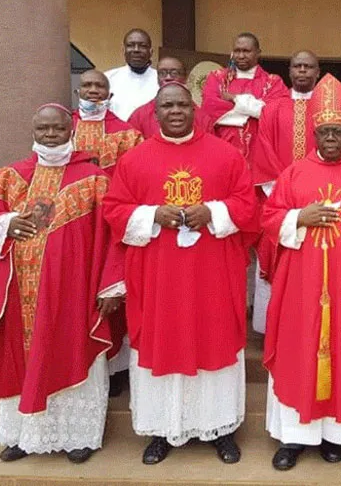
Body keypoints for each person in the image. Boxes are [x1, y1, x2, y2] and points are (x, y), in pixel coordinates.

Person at [102, 82, 259, 465]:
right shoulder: (134, 160)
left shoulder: (226, 156)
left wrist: (214, 212)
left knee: (215, 340)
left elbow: (248, 206)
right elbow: (114, 210)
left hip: (212, 274)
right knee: (162, 342)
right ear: (155, 113)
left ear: (195, 110)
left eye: (183, 105)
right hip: (159, 277)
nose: (175, 111)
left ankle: (221, 428)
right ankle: (161, 430)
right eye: (167, 105)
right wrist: (152, 214)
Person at [0, 103, 124, 463]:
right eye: (44, 130)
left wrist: (110, 286)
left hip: (74, 290)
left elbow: (114, 235)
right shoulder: (9, 177)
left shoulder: (95, 179)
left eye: (58, 129)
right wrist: (5, 223)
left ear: (71, 130)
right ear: (33, 131)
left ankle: (79, 435)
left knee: (72, 349)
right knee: (23, 357)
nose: (51, 135)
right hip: (18, 292)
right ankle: (24, 435)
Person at [261, 73, 341, 470]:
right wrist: (300, 217)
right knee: (298, 351)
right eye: (325, 132)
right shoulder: (294, 173)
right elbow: (269, 220)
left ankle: (338, 435)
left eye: (339, 132)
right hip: (301, 285)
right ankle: (293, 437)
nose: (332, 139)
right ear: (314, 134)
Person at [72, 69, 143, 393]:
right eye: (87, 86)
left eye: (99, 86)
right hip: (72, 227)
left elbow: (138, 181)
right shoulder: (63, 129)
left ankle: (116, 368)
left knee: (115, 295)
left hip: (111, 227)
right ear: (78, 92)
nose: (93, 91)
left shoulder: (127, 134)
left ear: (109, 93)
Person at [249, 50, 320, 334]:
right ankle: (273, 328)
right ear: (289, 71)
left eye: (308, 66)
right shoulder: (273, 108)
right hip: (279, 200)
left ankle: (313, 326)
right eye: (297, 66)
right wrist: (285, 194)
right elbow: (263, 151)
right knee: (274, 258)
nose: (302, 71)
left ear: (318, 71)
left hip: (319, 200)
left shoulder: (327, 107)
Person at [201, 32, 289, 160]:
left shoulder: (273, 82)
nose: (241, 56)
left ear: (258, 53)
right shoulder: (217, 77)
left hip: (260, 154)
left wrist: (234, 99)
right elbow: (210, 109)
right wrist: (255, 110)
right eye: (237, 51)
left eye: (246, 51)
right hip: (223, 149)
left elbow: (275, 114)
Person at [127, 56, 212, 138]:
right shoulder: (139, 116)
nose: (168, 77)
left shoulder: (202, 118)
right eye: (162, 73)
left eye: (174, 73)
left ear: (185, 77)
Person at [105, 28, 159, 121]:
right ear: (123, 50)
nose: (136, 50)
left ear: (151, 51)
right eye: (130, 45)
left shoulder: (160, 79)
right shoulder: (108, 78)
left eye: (142, 46)